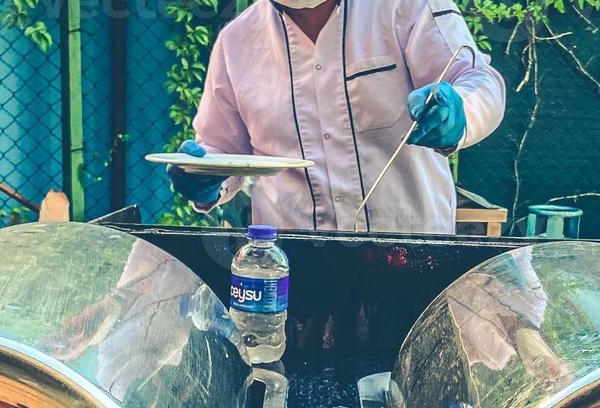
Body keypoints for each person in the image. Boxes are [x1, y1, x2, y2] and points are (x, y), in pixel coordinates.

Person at [167, 0, 505, 235]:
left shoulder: (405, 6)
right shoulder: (236, 42)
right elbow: (221, 149)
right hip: (293, 263)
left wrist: (461, 112)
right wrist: (204, 177)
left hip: (409, 250)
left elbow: (478, 80)